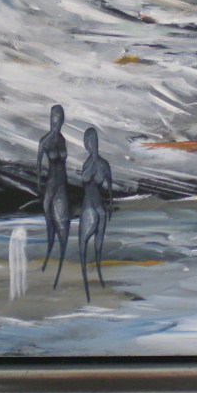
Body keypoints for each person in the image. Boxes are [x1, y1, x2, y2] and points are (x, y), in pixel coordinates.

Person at [37, 104, 71, 290]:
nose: (56, 121)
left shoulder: (62, 139)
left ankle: (59, 263)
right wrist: (40, 189)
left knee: (63, 224)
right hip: (50, 185)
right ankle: (48, 257)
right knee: (50, 225)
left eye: (59, 117)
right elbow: (38, 168)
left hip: (62, 185)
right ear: (51, 119)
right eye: (54, 117)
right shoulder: (45, 141)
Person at [78, 127, 113, 301]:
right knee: (98, 249)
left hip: (89, 208)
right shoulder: (104, 164)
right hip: (101, 209)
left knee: (83, 246)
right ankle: (100, 280)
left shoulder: (87, 164)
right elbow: (110, 191)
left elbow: (85, 181)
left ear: (87, 143)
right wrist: (109, 208)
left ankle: (87, 289)